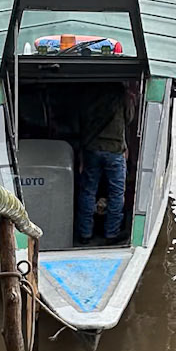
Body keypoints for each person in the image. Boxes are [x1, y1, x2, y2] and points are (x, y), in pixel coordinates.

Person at [73, 83, 130, 244]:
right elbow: (129, 117)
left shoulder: (88, 92)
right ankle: (111, 234)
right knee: (116, 193)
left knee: (88, 190)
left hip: (92, 147)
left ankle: (85, 234)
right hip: (115, 148)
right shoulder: (120, 93)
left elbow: (81, 118)